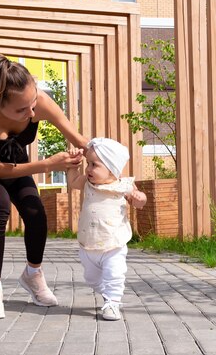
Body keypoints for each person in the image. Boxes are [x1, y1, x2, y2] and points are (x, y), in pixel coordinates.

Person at [0, 53, 87, 320]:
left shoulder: (41, 103)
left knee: (35, 211)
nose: (32, 113)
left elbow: (78, 138)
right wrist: (48, 164)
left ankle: (33, 275)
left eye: (33, 103)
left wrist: (103, 158)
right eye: (22, 110)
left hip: (12, 157)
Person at [66, 137, 147, 321]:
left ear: (113, 168)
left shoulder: (123, 185)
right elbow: (72, 182)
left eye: (94, 165)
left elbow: (141, 200)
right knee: (92, 279)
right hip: (89, 244)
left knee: (115, 274)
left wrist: (138, 198)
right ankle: (106, 293)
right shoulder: (87, 183)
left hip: (114, 244)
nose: (88, 169)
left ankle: (112, 302)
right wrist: (72, 166)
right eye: (88, 164)